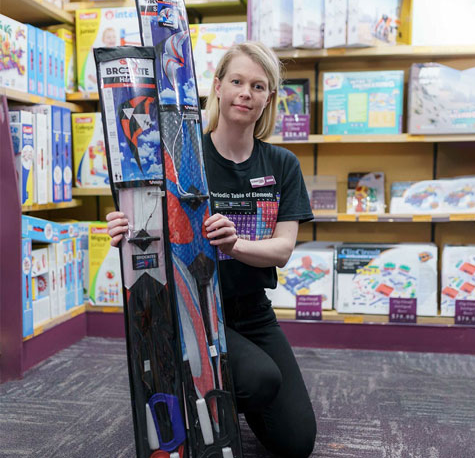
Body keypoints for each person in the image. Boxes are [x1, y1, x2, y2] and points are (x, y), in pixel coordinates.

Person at [106, 41, 317, 458]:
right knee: (259, 379)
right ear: (217, 87)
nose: (246, 93)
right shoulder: (183, 157)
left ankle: (224, 392)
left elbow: (282, 249)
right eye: (237, 81)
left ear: (269, 98)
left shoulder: (282, 164)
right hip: (195, 313)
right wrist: (126, 228)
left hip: (253, 313)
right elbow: (152, 228)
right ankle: (198, 388)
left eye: (258, 86)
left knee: (297, 443)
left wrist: (236, 245)